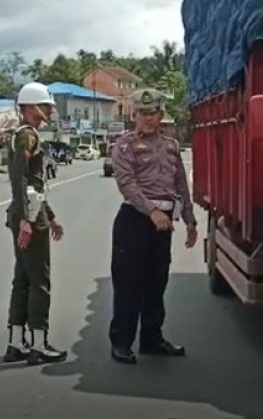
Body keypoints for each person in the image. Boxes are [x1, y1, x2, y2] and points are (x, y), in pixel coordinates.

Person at [109, 88, 198, 364]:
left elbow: (180, 183)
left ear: (161, 114)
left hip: (162, 225)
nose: (149, 118)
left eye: (154, 113)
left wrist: (190, 219)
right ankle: (122, 342)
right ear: (134, 115)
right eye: (143, 113)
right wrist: (151, 212)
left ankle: (151, 338)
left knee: (156, 283)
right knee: (128, 284)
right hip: (135, 221)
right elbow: (126, 184)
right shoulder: (124, 145)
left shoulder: (171, 145)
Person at [3, 81, 68, 365]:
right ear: (30, 108)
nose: (49, 110)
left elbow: (34, 185)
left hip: (28, 212)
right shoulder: (27, 136)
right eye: (45, 106)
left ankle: (16, 343)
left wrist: (50, 216)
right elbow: (20, 178)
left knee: (23, 279)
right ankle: (40, 343)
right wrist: (28, 220)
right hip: (29, 214)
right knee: (39, 281)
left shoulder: (25, 135)